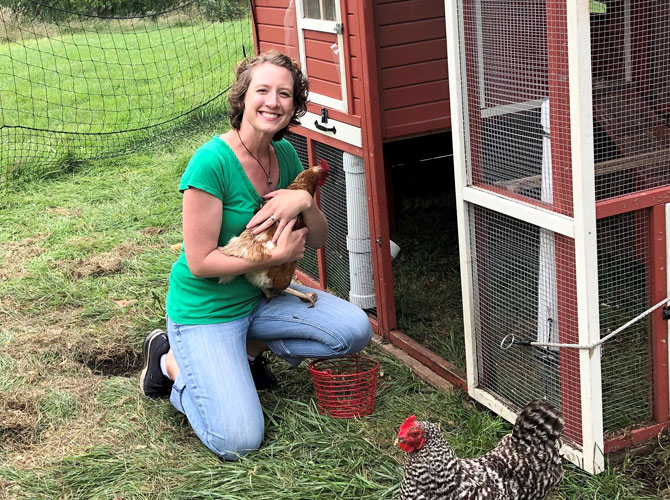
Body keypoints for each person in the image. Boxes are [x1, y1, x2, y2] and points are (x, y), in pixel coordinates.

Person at [139, 50, 373, 461]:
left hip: (261, 298)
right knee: (238, 441)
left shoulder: (284, 156)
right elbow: (200, 262)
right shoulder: (210, 164)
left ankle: (248, 351)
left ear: (294, 106)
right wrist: (271, 258)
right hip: (207, 308)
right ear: (243, 97)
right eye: (262, 90)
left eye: (285, 94)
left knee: (354, 331)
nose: (273, 101)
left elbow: (318, 238)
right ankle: (169, 363)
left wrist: (303, 200)